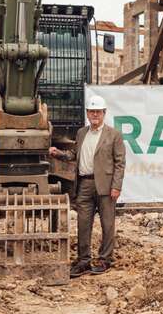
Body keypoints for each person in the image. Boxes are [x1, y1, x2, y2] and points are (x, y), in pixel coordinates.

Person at [49, 95, 126, 278]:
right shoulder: (81, 133)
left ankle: (105, 260)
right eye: (91, 111)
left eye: (98, 112)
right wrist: (58, 153)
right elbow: (73, 154)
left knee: (108, 224)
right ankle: (84, 261)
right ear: (87, 113)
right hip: (84, 184)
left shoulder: (113, 135)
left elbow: (120, 163)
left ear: (104, 113)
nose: (94, 115)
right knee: (83, 224)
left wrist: (116, 186)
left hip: (106, 186)